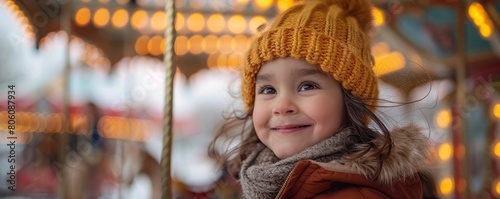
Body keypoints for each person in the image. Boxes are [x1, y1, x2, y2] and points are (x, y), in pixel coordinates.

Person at [209, 0, 432, 198]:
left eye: (307, 86)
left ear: (350, 101)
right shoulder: (265, 179)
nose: (282, 106)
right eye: (268, 90)